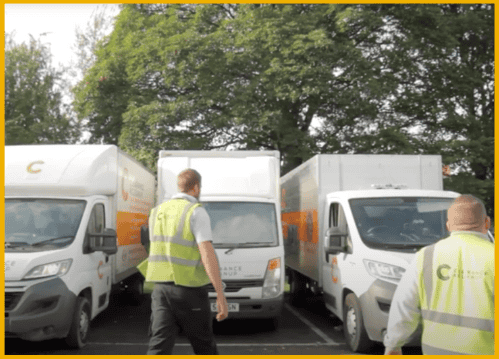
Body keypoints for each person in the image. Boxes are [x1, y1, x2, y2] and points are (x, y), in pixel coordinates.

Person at [384, 194, 494, 355]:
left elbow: (404, 304)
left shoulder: (426, 255)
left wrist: (393, 344)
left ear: (449, 226)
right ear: (487, 222)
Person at [145, 168, 228, 355]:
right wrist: (220, 295)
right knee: (204, 345)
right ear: (196, 187)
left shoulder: (157, 212)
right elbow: (207, 254)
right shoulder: (196, 212)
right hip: (189, 289)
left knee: (159, 345)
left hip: (160, 289)